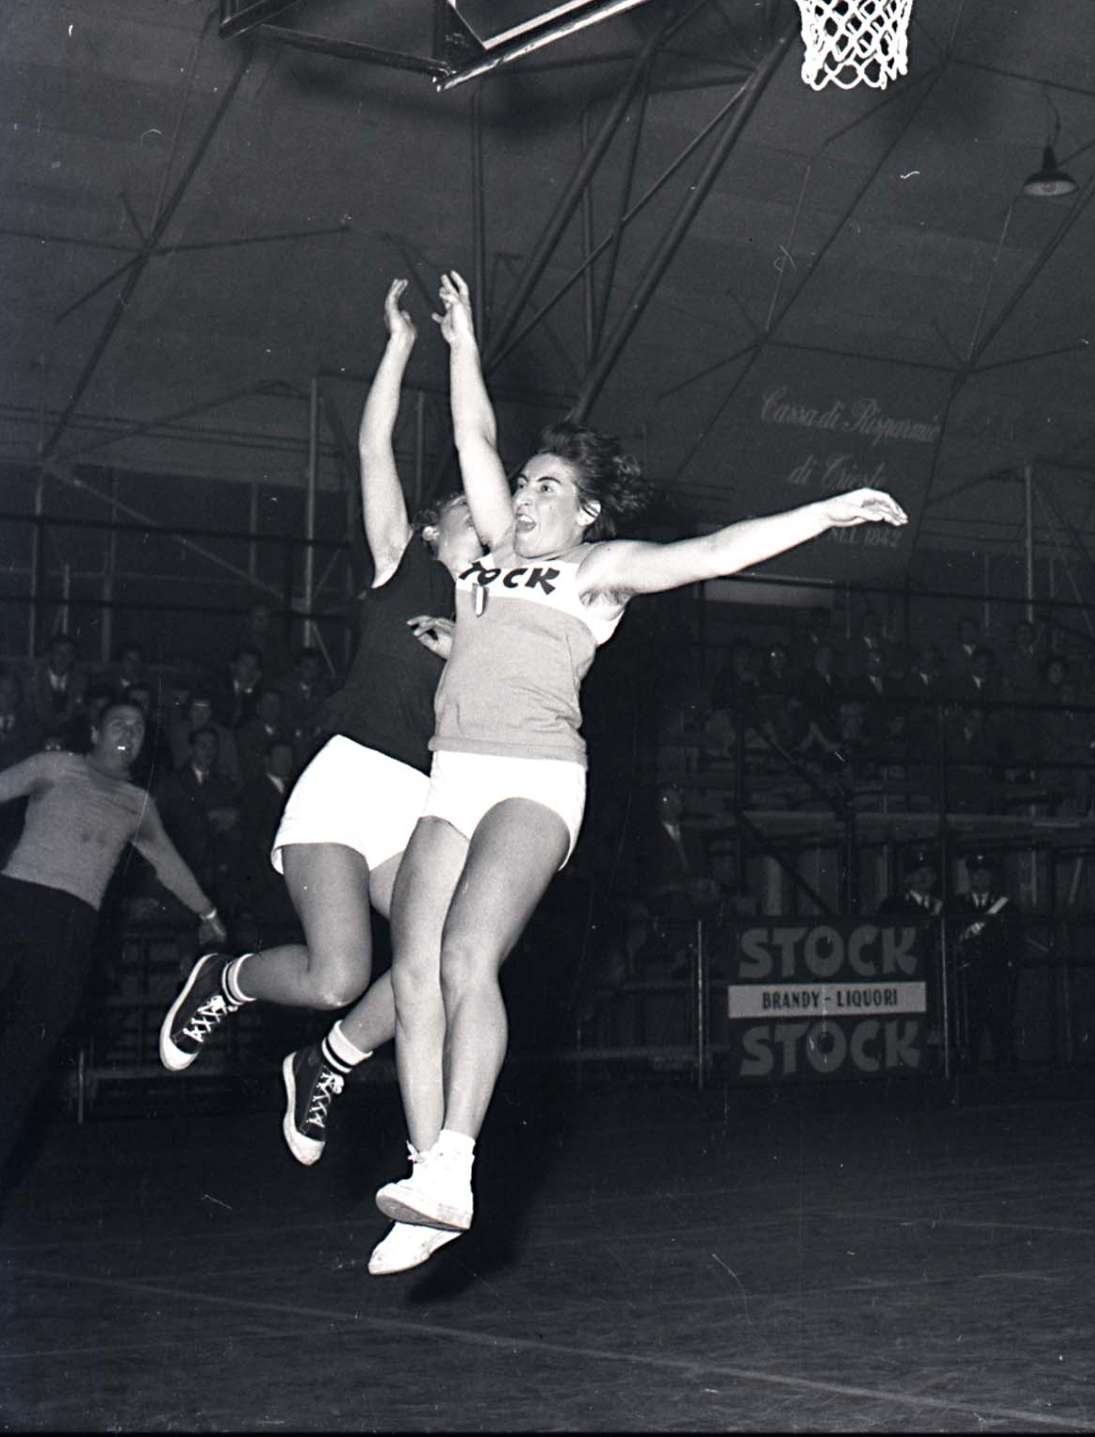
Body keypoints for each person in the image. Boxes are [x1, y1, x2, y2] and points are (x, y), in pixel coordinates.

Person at [371, 270, 906, 1270]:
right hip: (453, 774)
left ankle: (455, 1163)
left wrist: (826, 511)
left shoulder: (593, 572)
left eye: (547, 487)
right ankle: (423, 1182)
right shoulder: (483, 560)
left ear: (584, 516)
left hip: (533, 781)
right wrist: (462, 344)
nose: (525, 494)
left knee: (464, 958)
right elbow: (475, 436)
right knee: (411, 977)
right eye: (523, 483)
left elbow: (714, 551)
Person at [157, 281, 484, 1282]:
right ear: (430, 526)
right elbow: (373, 448)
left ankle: (328, 1060)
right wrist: (399, 347)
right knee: (341, 973)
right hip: (346, 783)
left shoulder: (493, 613)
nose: (483, 518)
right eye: (466, 508)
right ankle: (227, 980)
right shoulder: (401, 566)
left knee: (447, 966)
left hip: (421, 805)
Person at [0, 702, 224, 1225]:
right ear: (94, 731)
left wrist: (207, 912)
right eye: (119, 722)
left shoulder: (138, 803)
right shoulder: (56, 766)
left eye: (138, 729)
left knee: (28, 1053)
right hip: (12, 905)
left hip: (73, 927)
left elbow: (167, 862)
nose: (129, 732)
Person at [950, 852, 1019, 1073]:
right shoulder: (956, 906)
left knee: (1001, 1033)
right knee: (969, 1034)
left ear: (992, 877)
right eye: (976, 874)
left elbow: (1015, 945)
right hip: (967, 980)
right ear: (970, 877)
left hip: (997, 979)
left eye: (985, 874)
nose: (980, 878)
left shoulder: (1006, 907)